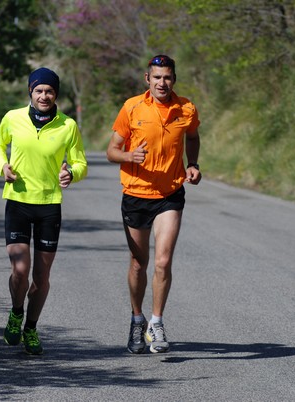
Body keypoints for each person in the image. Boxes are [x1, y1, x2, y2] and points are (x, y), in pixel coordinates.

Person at [106, 54, 201, 354]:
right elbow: (111, 150)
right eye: (157, 77)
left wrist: (193, 163)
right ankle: (137, 319)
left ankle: (156, 323)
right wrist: (128, 157)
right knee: (139, 263)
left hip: (170, 194)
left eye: (168, 77)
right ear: (147, 79)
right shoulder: (132, 107)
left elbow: (193, 136)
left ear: (174, 79)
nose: (162, 82)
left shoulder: (186, 107)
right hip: (136, 194)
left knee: (162, 261)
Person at [0, 67, 88, 355]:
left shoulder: (67, 125)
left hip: (49, 206)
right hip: (18, 201)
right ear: (30, 92)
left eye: (50, 91)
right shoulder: (12, 118)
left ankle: (31, 327)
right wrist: (2, 166)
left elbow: (80, 162)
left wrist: (72, 173)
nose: (44, 95)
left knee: (41, 277)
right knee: (20, 270)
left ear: (56, 94)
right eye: (39, 90)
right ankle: (16, 312)